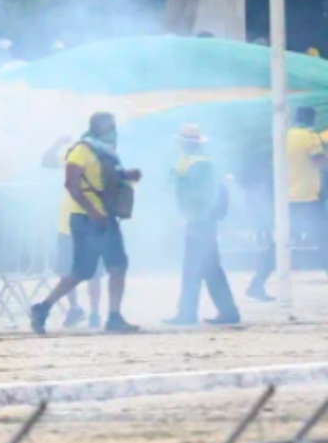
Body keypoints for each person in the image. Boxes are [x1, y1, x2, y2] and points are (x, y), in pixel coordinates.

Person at [31, 112, 143, 335]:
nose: (113, 130)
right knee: (90, 270)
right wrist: (92, 211)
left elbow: (111, 177)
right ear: (98, 127)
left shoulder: (107, 152)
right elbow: (71, 185)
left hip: (102, 216)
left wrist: (128, 175)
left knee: (109, 267)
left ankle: (45, 309)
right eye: (109, 126)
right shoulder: (81, 150)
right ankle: (44, 308)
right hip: (87, 219)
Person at [165, 125, 240, 326]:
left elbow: (195, 195)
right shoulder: (201, 163)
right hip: (202, 220)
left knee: (193, 267)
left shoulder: (195, 164)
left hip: (199, 221)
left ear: (183, 143)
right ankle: (227, 311)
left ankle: (188, 313)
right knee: (208, 267)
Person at [250, 106, 328, 297]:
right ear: (311, 120)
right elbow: (320, 161)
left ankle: (256, 283)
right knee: (324, 241)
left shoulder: (284, 136)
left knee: (281, 242)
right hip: (307, 199)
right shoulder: (309, 137)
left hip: (286, 198)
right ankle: (256, 284)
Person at [41, 135, 103, 329]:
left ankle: (93, 312)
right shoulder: (74, 159)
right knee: (68, 271)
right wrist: (57, 143)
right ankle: (76, 309)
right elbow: (46, 161)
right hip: (70, 225)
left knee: (91, 273)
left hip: (87, 223)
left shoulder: (100, 163)